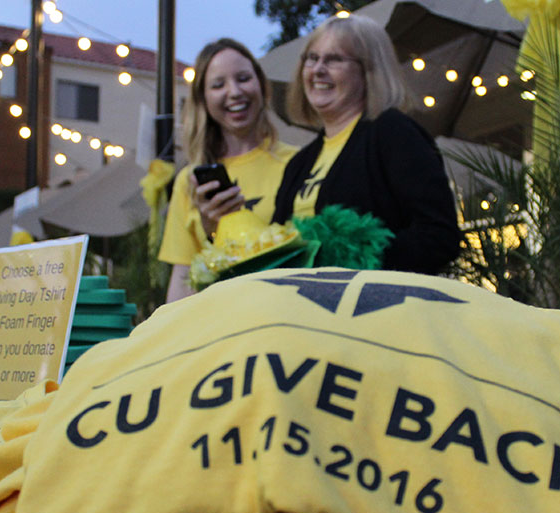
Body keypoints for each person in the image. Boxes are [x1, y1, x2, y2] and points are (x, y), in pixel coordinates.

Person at [272, 14, 460, 275]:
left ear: (370, 70)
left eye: (334, 59)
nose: (318, 70)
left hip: (378, 307)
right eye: (311, 59)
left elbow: (440, 234)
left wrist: (357, 259)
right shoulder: (299, 163)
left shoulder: (393, 132)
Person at [158, 38, 297, 302]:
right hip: (221, 327)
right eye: (218, 85)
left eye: (243, 78)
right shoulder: (189, 181)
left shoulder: (299, 163)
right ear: (203, 99)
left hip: (286, 317)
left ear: (261, 86)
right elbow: (182, 274)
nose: (234, 92)